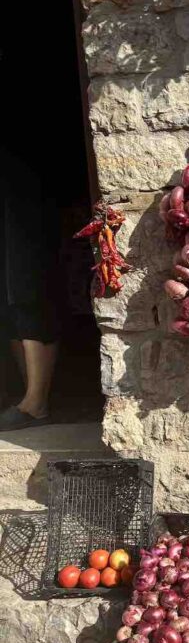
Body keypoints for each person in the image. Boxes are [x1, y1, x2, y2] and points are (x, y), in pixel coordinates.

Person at [0, 144, 58, 430]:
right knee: (8, 303)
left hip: (25, 206)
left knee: (26, 292)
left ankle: (35, 402)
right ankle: (27, 396)